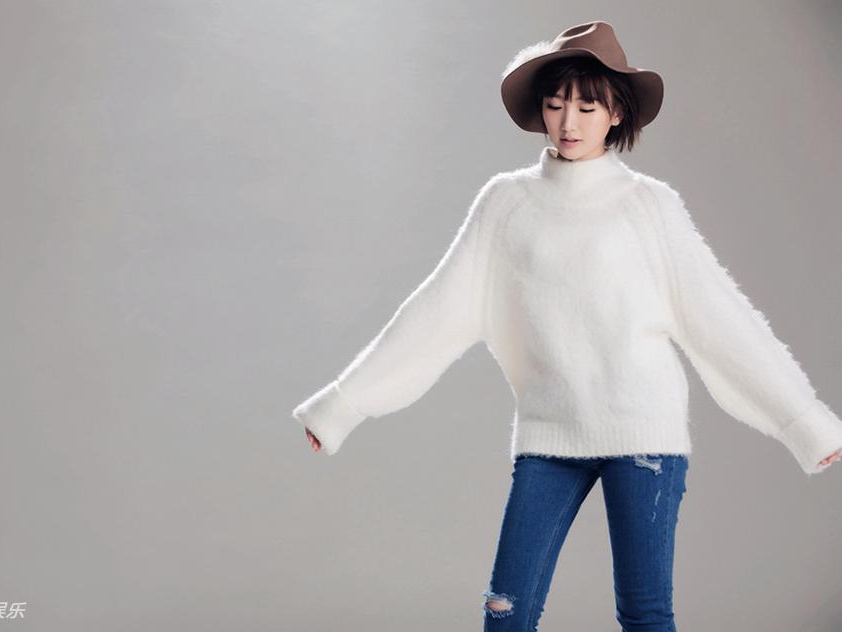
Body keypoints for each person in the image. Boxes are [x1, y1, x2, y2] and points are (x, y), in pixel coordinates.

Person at [290, 20, 842, 631]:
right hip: (549, 435)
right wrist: (343, 404)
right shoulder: (506, 204)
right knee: (506, 613)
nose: (568, 122)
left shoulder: (650, 207)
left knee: (645, 615)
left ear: (616, 113)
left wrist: (802, 421)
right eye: (555, 105)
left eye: (587, 106)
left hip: (644, 439)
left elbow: (722, 319)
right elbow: (435, 312)